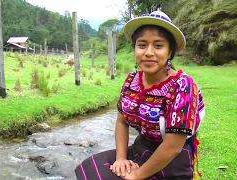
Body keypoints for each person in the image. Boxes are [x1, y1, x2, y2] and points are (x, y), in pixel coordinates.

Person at [75, 10, 205, 180]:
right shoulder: (131, 80)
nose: (149, 52)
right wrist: (121, 158)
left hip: (171, 161)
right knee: (89, 168)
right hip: (139, 150)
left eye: (158, 45)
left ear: (170, 51)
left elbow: (173, 147)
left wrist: (136, 175)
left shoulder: (183, 86)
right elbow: (122, 122)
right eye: (142, 45)